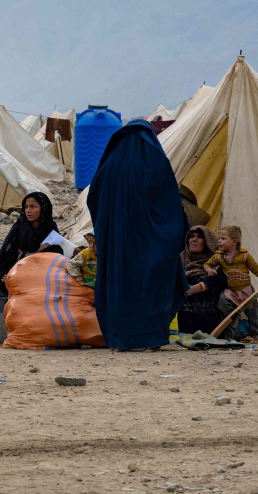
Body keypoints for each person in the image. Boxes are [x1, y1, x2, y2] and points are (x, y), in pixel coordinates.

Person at [86, 119, 187, 350]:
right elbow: (168, 199)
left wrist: (107, 230)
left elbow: (94, 198)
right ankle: (151, 338)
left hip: (116, 243)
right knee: (150, 283)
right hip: (148, 240)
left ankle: (120, 339)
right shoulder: (153, 160)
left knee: (120, 285)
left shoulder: (109, 164)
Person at [0, 191, 62, 347]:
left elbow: (56, 251)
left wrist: (37, 255)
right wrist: (29, 255)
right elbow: (8, 251)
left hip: (39, 269)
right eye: (26, 207)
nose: (28, 210)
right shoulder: (20, 225)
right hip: (14, 265)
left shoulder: (50, 227)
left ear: (43, 208)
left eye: (33, 207)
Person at [204, 225, 258, 337]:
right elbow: (207, 264)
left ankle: (256, 334)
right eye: (219, 238)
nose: (219, 241)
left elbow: (256, 269)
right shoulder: (218, 256)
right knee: (223, 302)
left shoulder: (244, 256)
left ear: (234, 242)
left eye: (223, 239)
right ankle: (233, 324)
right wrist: (209, 270)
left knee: (253, 313)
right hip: (230, 290)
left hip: (246, 290)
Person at [177, 226, 227, 334]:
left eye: (199, 237)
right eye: (191, 236)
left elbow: (218, 280)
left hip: (207, 326)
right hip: (178, 326)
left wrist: (194, 289)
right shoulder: (178, 261)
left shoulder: (217, 264)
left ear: (208, 242)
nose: (194, 239)